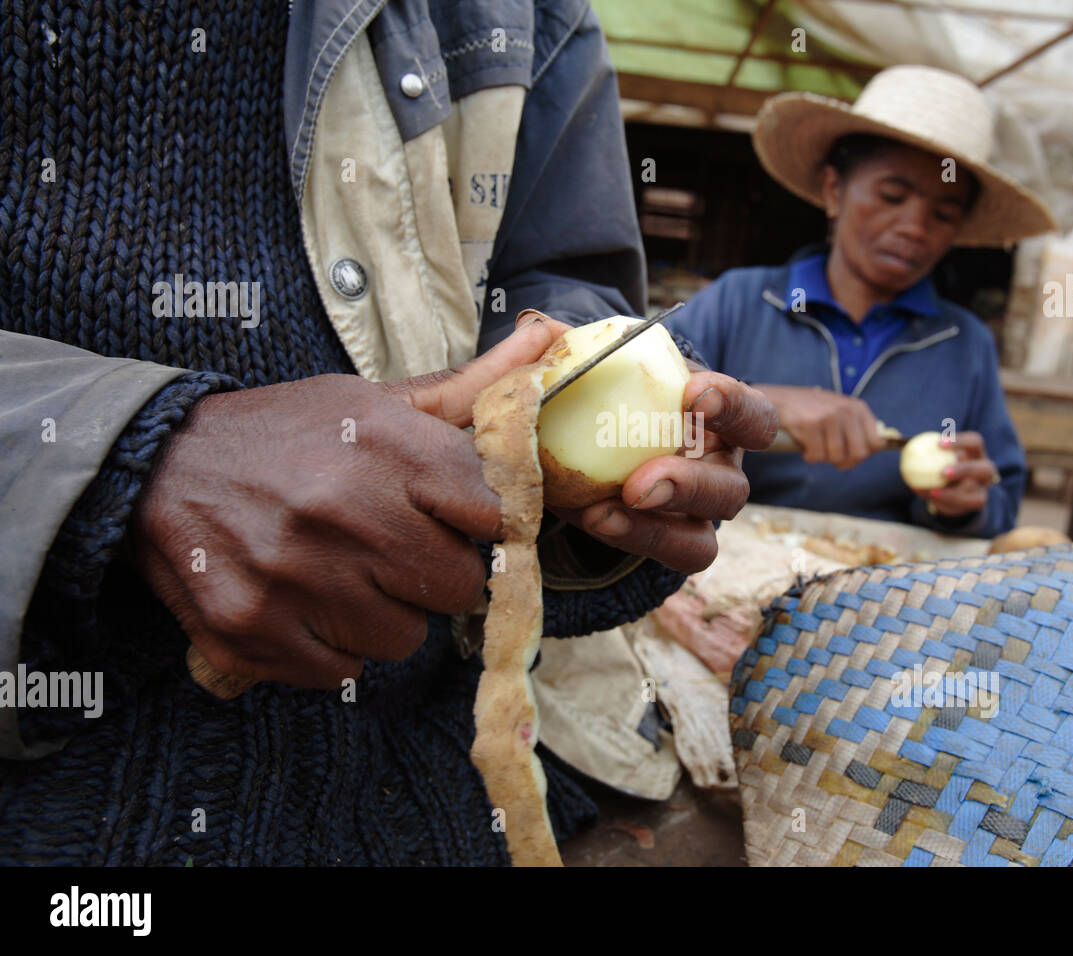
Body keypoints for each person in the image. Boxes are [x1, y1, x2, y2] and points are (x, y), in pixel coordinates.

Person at [0, 0, 774, 865]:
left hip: (438, 776)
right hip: (72, 795)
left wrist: (610, 459)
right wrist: (131, 456)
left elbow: (561, 287)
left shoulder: (534, 16)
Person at [665, 66, 1057, 537]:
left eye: (943, 213)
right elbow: (640, 420)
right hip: (723, 558)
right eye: (892, 196)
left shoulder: (964, 345)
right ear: (834, 191)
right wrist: (758, 403)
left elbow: (1001, 504)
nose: (914, 227)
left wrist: (962, 504)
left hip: (885, 581)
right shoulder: (740, 301)